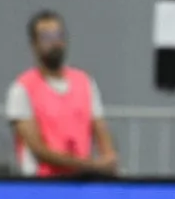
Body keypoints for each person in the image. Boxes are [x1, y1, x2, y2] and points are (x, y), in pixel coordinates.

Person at [7, 10, 118, 178]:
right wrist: (89, 165)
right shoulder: (21, 89)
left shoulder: (85, 82)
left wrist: (109, 159)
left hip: (81, 182)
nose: (54, 42)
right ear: (34, 44)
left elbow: (100, 129)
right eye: (46, 37)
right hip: (41, 182)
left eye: (58, 35)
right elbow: (38, 150)